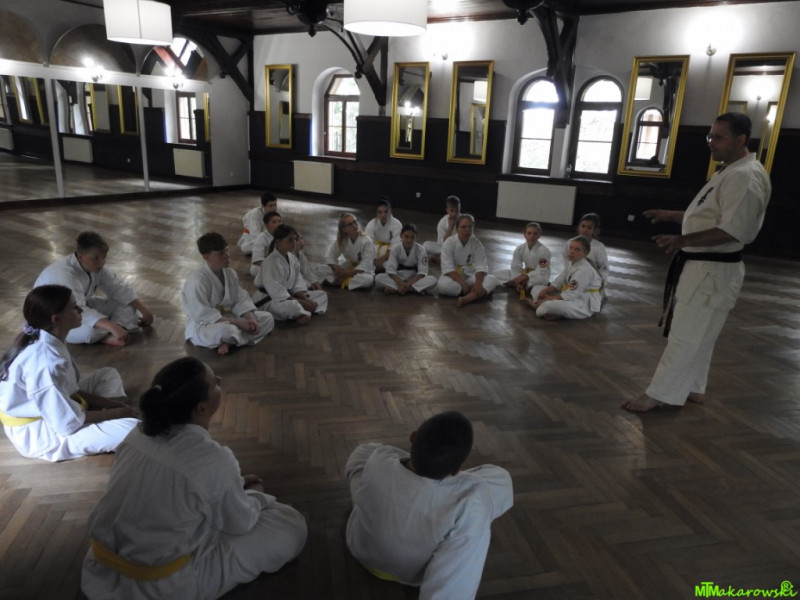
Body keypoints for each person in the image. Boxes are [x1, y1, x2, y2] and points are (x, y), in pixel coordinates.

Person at [81, 357, 307, 600]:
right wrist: (256, 495)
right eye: (214, 383)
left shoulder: (137, 435)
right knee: (290, 523)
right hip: (157, 588)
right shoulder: (214, 459)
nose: (219, 381)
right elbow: (240, 524)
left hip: (97, 572)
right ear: (202, 408)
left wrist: (231, 485)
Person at [622, 112, 771, 412]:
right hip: (709, 269)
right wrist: (672, 216)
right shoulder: (732, 170)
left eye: (719, 137)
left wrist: (681, 240)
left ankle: (659, 394)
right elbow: (709, 215)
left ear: (740, 139)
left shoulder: (745, 176)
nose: (711, 142)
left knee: (685, 335)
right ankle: (695, 386)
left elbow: (734, 230)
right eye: (710, 136)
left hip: (711, 270)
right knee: (702, 334)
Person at [345, 411, 513, 599]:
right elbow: (458, 580)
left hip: (360, 548)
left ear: (413, 437)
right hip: (409, 572)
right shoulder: (470, 499)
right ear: (457, 469)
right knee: (499, 480)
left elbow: (372, 455)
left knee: (363, 452)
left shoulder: (380, 457)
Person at [0, 285, 138, 462]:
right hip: (43, 435)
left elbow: (71, 390)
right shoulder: (45, 362)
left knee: (107, 375)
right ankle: (99, 422)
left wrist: (115, 406)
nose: (80, 310)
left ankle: (98, 419)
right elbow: (67, 423)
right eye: (74, 307)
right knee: (133, 428)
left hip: (59, 411)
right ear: (57, 319)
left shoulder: (48, 340)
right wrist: (120, 413)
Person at [34, 231, 154, 346]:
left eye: (104, 257)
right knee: (90, 332)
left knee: (129, 307)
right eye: (95, 258)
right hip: (55, 320)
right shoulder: (64, 274)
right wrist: (111, 326)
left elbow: (118, 288)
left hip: (80, 308)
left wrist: (144, 311)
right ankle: (107, 336)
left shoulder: (95, 267)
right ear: (80, 257)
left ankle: (113, 331)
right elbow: (77, 308)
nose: (101, 263)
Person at [182, 232, 274, 356]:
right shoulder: (197, 280)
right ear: (206, 256)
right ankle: (233, 338)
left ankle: (231, 342)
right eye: (221, 253)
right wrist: (239, 323)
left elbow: (240, 299)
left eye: (226, 250)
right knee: (226, 331)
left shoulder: (230, 273)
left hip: (229, 315)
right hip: (205, 325)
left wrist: (252, 320)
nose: (227, 256)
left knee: (267, 318)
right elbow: (202, 314)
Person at [253, 224, 328, 325]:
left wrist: (306, 300)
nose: (294, 243)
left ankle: (302, 313)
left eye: (295, 239)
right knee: (292, 306)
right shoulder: (271, 262)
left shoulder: (292, 258)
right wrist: (304, 303)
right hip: (269, 300)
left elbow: (296, 284)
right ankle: (301, 313)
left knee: (321, 295)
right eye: (290, 240)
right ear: (278, 242)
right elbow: (277, 293)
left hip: (289, 296)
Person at [529, 236, 602, 320]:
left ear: (585, 253)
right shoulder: (571, 263)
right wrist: (544, 291)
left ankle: (538, 305)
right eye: (571, 248)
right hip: (570, 297)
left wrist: (548, 299)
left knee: (545, 307)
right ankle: (550, 310)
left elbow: (571, 294)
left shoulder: (584, 270)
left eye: (577, 249)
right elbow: (559, 281)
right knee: (536, 289)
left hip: (582, 304)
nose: (572, 251)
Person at [437, 214, 499, 306]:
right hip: (454, 278)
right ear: (457, 229)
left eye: (470, 227)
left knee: (492, 279)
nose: (467, 230)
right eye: (463, 227)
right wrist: (463, 284)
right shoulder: (449, 243)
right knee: (442, 285)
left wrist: (478, 284)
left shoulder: (476, 243)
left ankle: (469, 297)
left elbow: (481, 266)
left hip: (470, 276)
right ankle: (475, 292)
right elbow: (448, 268)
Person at [374, 224, 437, 295]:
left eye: (412, 237)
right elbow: (391, 270)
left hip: (414, 278)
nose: (409, 240)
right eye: (406, 237)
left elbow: (422, 272)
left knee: (433, 280)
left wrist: (407, 284)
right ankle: (414, 289)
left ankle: (397, 289)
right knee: (378, 278)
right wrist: (400, 283)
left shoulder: (421, 249)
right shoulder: (395, 248)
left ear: (416, 237)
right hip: (398, 277)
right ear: (401, 235)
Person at [497, 222, 551, 300]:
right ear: (524, 234)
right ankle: (521, 285)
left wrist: (525, 277)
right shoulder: (520, 249)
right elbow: (515, 267)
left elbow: (541, 270)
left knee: (538, 281)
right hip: (525, 272)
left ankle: (524, 285)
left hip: (540, 274)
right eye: (529, 233)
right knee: (498, 274)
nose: (532, 236)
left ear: (539, 235)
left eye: (535, 234)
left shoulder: (544, 251)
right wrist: (517, 279)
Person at [321, 213, 375, 290]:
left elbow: (366, 264)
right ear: (344, 229)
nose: (354, 225)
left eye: (355, 222)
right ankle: (344, 281)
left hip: (362, 271)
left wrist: (348, 273)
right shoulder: (343, 240)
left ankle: (339, 282)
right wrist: (336, 268)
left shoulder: (366, 241)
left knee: (368, 280)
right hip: (348, 267)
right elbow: (330, 255)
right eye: (350, 224)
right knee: (321, 269)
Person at [565, 212, 609, 298]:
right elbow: (566, 263)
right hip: (573, 278)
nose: (585, 230)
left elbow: (604, 268)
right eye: (583, 226)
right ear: (578, 227)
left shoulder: (599, 247)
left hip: (591, 282)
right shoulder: (569, 243)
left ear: (594, 230)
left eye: (589, 228)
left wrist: (600, 285)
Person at [364, 196, 402, 273]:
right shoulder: (371, 224)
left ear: (390, 211)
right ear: (376, 213)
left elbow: (396, 247)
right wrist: (374, 260)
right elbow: (368, 245)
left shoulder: (397, 224)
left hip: (389, 254)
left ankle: (377, 268)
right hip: (375, 253)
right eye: (380, 212)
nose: (383, 215)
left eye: (386, 211)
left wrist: (379, 261)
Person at [237, 191, 278, 255]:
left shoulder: (273, 214)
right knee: (248, 248)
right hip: (250, 236)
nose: (274, 208)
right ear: (263, 206)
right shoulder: (254, 215)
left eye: (275, 205)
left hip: (265, 235)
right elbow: (255, 236)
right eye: (271, 205)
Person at [423, 195, 460, 261]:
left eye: (457, 211)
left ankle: (440, 258)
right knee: (426, 245)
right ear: (447, 210)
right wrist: (450, 228)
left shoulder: (464, 220)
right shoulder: (442, 223)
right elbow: (442, 243)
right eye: (452, 211)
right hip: (445, 248)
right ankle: (443, 257)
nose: (454, 214)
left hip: (459, 249)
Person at [250, 210, 283, 279]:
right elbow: (257, 260)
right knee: (255, 269)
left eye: (280, 221)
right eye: (274, 222)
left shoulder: (285, 236)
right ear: (266, 225)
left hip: (281, 265)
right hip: (264, 265)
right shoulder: (262, 238)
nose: (278, 224)